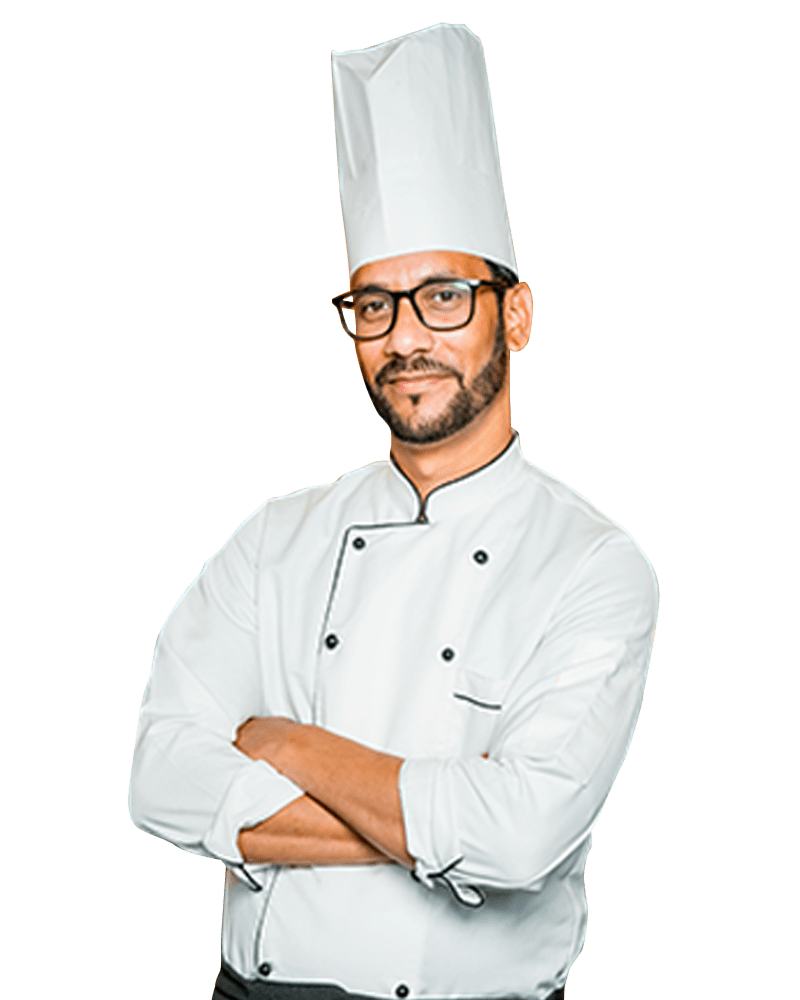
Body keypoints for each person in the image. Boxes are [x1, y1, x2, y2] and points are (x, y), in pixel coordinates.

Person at [129, 23, 659, 1000]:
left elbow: (521, 840)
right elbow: (160, 779)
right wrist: (442, 819)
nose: (405, 337)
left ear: (514, 315)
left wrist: (287, 744)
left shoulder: (594, 562)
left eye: (443, 297)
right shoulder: (275, 536)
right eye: (374, 305)